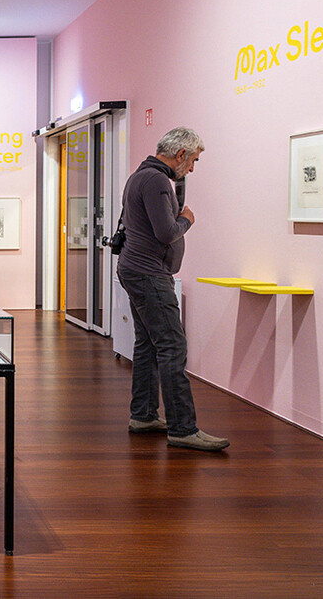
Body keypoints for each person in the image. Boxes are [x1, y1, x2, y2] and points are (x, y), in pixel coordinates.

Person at [118, 127, 229, 452]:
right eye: (192, 161)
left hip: (136, 269)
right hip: (149, 274)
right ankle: (183, 428)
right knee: (172, 347)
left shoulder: (141, 176)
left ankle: (143, 415)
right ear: (180, 154)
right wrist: (187, 219)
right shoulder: (155, 181)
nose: (192, 168)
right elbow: (166, 232)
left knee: (149, 345)